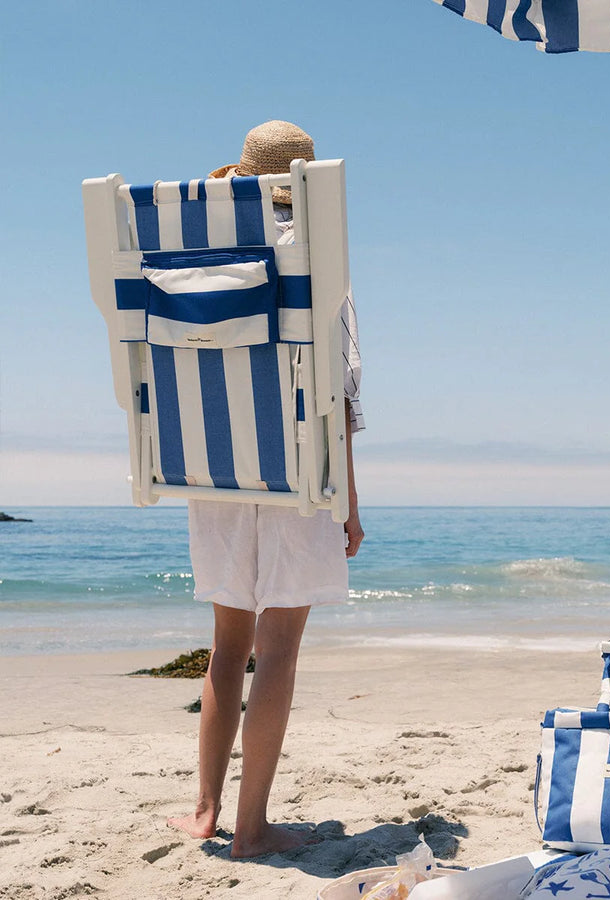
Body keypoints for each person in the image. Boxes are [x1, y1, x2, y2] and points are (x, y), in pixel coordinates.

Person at [168, 120, 364, 858]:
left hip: (212, 467)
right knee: (277, 650)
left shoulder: (190, 259)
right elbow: (341, 395)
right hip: (298, 471)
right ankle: (253, 831)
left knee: (227, 648)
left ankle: (205, 812)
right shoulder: (324, 261)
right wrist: (350, 500)